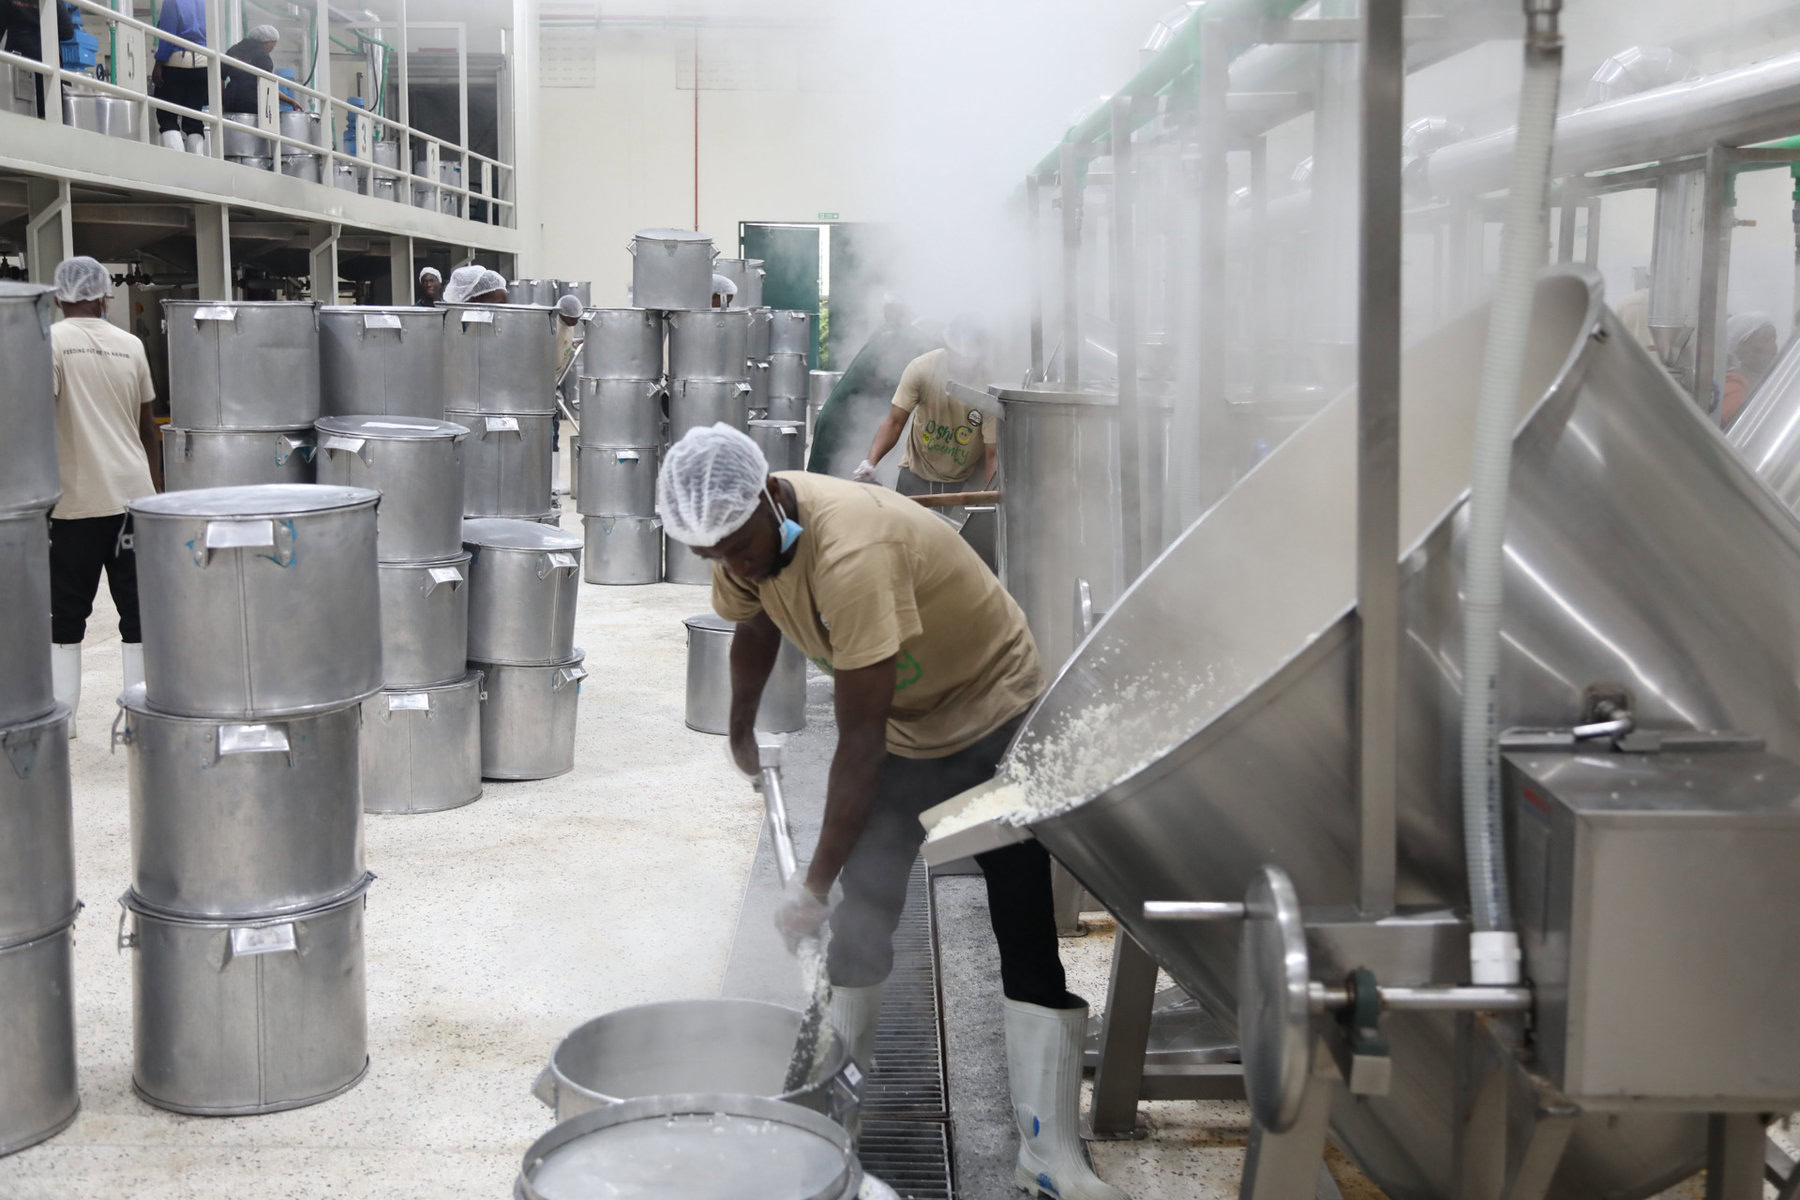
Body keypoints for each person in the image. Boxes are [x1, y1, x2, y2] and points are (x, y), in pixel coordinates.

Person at [656, 424, 1129, 1200]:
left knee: (1017, 897)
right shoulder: (739, 530)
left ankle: (1049, 1151)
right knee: (868, 905)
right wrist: (739, 724)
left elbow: (861, 746)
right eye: (717, 558)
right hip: (909, 720)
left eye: (741, 547)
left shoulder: (851, 555)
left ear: (773, 496)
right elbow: (755, 620)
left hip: (991, 703)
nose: (736, 566)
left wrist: (809, 887)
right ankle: (831, 1126)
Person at [46, 256, 162, 740]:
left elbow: (32, 420)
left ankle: (64, 720)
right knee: (138, 612)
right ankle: (140, 716)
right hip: (133, 498)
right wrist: (157, 498)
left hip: (74, 501)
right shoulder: (131, 345)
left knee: (67, 612)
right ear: (100, 296)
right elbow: (148, 429)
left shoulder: (49, 342)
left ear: (58, 297)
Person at [853, 313, 995, 496]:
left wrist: (992, 499)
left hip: (963, 482)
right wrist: (870, 463)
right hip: (915, 475)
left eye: (970, 360)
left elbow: (992, 452)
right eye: (958, 357)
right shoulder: (922, 369)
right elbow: (895, 422)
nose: (964, 365)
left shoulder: (989, 386)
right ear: (947, 348)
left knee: (953, 526)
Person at [805, 292, 939, 478]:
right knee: (833, 485)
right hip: (844, 424)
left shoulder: (887, 334)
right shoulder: (898, 344)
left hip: (846, 418)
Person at [0, 1, 73, 117]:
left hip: (18, 62)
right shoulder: (54, 2)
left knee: (17, 112)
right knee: (49, 114)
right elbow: (68, 32)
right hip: (48, 61)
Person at [151, 0, 208, 148]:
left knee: (167, 116)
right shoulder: (205, 3)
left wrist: (159, 63)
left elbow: (168, 34)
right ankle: (197, 160)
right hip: (203, 62)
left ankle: (177, 162)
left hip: (178, 61)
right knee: (194, 118)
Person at [1721, 312, 1779, 428]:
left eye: (1774, 339)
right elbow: (1741, 423)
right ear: (1741, 347)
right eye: (1766, 340)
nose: (1774, 347)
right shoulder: (1733, 383)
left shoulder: (1775, 378)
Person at [220, 24, 287, 114]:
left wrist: (222, 102)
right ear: (267, 42)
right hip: (251, 102)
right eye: (273, 45)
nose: (272, 48)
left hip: (230, 100)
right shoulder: (263, 56)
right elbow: (268, 86)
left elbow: (220, 76)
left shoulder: (233, 50)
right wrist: (290, 101)